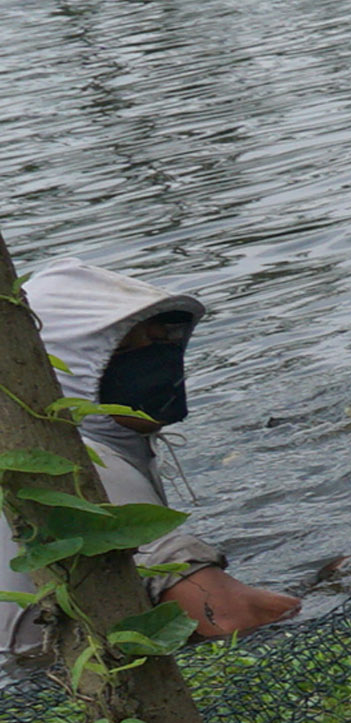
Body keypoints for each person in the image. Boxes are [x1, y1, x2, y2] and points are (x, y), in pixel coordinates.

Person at [3, 260, 299, 663]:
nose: (155, 361)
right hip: (39, 678)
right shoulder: (87, 469)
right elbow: (232, 619)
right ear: (61, 370)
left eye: (162, 340)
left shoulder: (50, 458)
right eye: (124, 350)